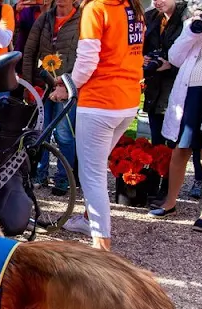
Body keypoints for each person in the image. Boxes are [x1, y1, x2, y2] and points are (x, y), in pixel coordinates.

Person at [50, 0, 145, 250]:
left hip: (101, 101)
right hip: (127, 100)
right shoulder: (131, 7)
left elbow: (88, 61)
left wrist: (67, 86)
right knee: (96, 167)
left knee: (91, 175)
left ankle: (101, 247)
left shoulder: (97, 8)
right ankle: (87, 219)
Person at [149, 0, 202, 232]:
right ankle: (170, 203)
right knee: (180, 150)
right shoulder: (193, 19)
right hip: (190, 93)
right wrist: (191, 31)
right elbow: (175, 57)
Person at [21, 0, 79, 196]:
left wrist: (69, 82)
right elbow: (29, 51)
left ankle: (63, 178)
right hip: (43, 85)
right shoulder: (45, 18)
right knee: (40, 132)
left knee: (64, 134)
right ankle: (39, 174)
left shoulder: (82, 19)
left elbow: (84, 56)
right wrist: (28, 85)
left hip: (67, 85)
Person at [142, 0, 190, 202]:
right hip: (154, 86)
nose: (158, 1)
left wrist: (170, 65)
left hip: (177, 86)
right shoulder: (150, 16)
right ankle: (152, 184)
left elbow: (194, 54)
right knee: (156, 140)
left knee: (173, 141)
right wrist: (143, 58)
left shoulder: (187, 17)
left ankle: (168, 189)